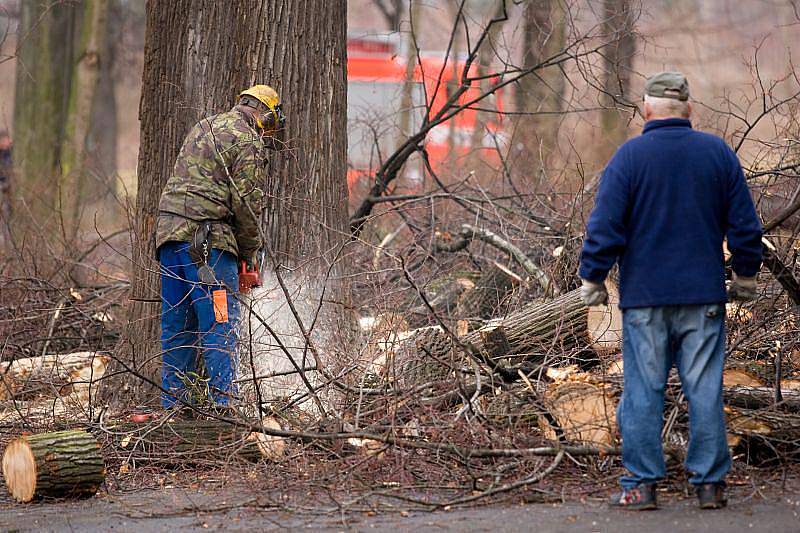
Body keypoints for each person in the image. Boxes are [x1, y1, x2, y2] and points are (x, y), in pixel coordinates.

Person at [579, 72, 762, 510]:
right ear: (689, 111)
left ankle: (640, 486)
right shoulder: (716, 154)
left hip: (645, 299)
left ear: (646, 110)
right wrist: (745, 274)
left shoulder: (629, 158)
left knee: (644, 389)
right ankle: (710, 486)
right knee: (704, 388)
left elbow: (606, 226)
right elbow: (744, 224)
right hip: (703, 298)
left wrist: (592, 276)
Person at [155, 85, 285, 411]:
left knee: (176, 325)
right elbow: (247, 205)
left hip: (170, 240)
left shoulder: (205, 126)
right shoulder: (249, 141)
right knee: (219, 322)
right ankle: (224, 407)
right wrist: (249, 254)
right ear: (266, 115)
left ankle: (174, 407)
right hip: (207, 249)